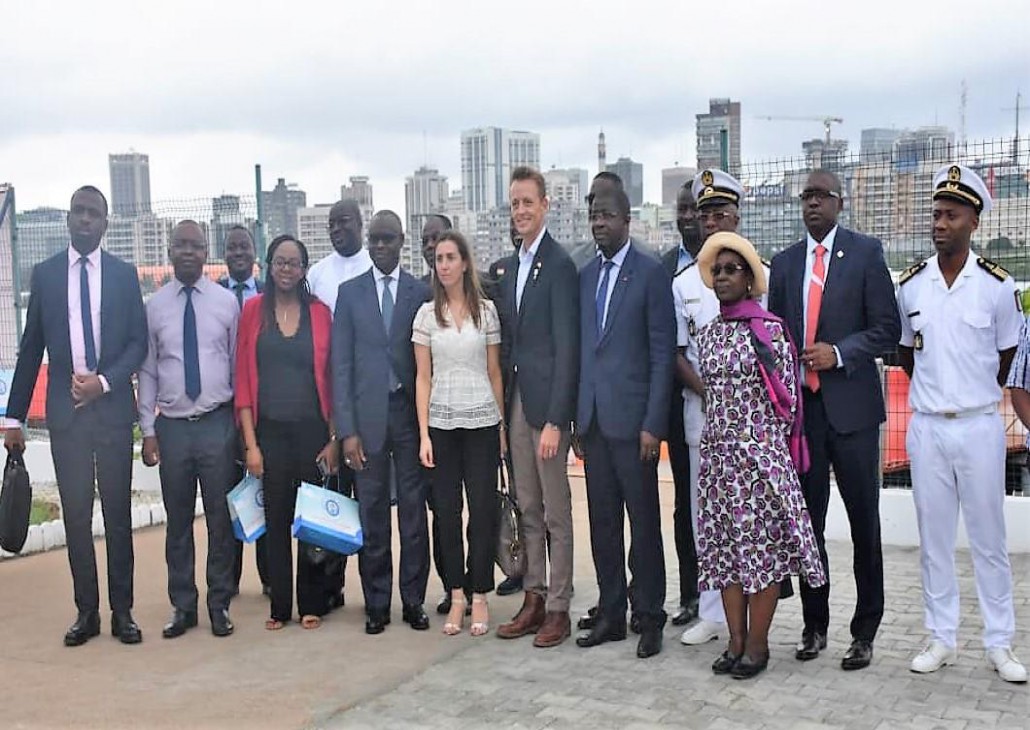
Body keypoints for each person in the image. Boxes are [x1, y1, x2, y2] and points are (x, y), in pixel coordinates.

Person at [767, 168, 900, 671]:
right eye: (806, 197)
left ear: (840, 203)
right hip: (805, 418)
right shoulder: (784, 264)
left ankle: (864, 632)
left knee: (865, 524)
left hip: (854, 415)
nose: (812, 204)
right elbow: (777, 336)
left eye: (822, 196)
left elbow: (886, 329)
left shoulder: (865, 254)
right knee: (809, 526)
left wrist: (838, 354)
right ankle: (814, 625)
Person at [898, 165, 1026, 683]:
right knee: (933, 539)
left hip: (978, 425)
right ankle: (940, 636)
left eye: (951, 215)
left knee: (988, 538)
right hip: (928, 426)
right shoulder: (912, 286)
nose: (940, 223)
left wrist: (969, 394)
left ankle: (1000, 642)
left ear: (974, 221)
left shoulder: (996, 286)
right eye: (936, 215)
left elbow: (1010, 357)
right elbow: (908, 356)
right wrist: (938, 393)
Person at [4, 186, 147, 646]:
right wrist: (14, 419)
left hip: (110, 413)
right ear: (68, 220)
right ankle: (86, 612)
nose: (86, 220)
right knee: (77, 518)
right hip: (67, 421)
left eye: (94, 214)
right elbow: (30, 353)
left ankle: (122, 611)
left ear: (105, 224)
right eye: (79, 212)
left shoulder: (124, 276)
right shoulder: (45, 276)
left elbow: (137, 345)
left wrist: (102, 383)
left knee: (119, 515)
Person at [695, 231, 826, 679]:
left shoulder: (769, 331)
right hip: (718, 462)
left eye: (733, 269)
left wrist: (762, 447)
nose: (724, 276)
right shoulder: (708, 335)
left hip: (758, 462)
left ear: (751, 279)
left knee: (761, 555)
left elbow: (788, 399)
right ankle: (734, 641)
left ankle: (758, 644)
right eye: (718, 270)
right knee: (727, 554)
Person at [574, 188, 674, 659]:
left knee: (644, 524)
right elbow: (583, 352)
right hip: (593, 424)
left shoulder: (652, 274)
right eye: (594, 216)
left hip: (635, 427)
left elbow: (660, 355)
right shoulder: (585, 274)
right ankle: (612, 613)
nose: (599, 223)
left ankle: (650, 616)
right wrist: (577, 415)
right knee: (602, 525)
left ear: (627, 220)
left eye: (607, 216)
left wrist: (654, 424)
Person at [139, 220, 239, 639]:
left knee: (220, 519)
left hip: (218, 422)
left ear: (205, 251)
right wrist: (147, 428)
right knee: (178, 522)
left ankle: (219, 603)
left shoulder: (226, 303)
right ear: (169, 250)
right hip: (174, 428)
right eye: (179, 245)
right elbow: (146, 369)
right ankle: (183, 605)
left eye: (195, 246)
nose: (187, 252)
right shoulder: (155, 307)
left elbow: (236, 364)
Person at [333, 211, 431, 635]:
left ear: (402, 241)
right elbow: (341, 367)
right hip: (366, 421)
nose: (379, 246)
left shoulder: (420, 293)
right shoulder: (349, 293)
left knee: (413, 515)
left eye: (387, 239)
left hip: (409, 417)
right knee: (372, 513)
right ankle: (377, 604)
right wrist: (347, 431)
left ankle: (413, 601)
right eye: (374, 239)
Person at [235, 235, 338, 631]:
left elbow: (330, 379)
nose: (286, 269)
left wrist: (333, 438)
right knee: (275, 520)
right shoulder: (252, 312)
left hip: (313, 432)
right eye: (280, 262)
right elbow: (242, 379)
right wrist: (251, 445)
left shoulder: (320, 313)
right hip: (270, 433)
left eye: (294, 263)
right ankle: (280, 605)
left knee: (309, 522)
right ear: (268, 265)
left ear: (304, 269)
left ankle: (311, 601)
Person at [494, 167, 579, 648]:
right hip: (518, 402)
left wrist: (556, 420)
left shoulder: (559, 265)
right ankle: (534, 595)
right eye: (514, 204)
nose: (521, 211)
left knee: (555, 511)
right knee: (527, 505)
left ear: (545, 205)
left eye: (528, 202)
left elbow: (567, 348)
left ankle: (561, 606)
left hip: (547, 409)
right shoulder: (512, 265)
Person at [672, 169, 757, 648]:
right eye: (705, 215)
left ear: (737, 217)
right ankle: (711, 611)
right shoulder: (684, 283)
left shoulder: (757, 274)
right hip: (703, 418)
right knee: (708, 519)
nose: (712, 222)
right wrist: (710, 390)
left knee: (748, 517)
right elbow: (677, 353)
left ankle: (750, 611)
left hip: (750, 424)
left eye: (721, 213)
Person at [413, 230, 505, 637]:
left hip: (482, 423)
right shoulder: (425, 315)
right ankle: (457, 594)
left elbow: (495, 372)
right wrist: (424, 435)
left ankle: (481, 592)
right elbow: (422, 378)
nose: (444, 264)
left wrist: (501, 426)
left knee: (482, 511)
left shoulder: (486, 312)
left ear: (465, 262)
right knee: (447, 514)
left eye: (451, 257)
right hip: (442, 425)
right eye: (439, 259)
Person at [303, 199, 372, 608]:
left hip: (367, 406)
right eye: (331, 224)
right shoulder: (318, 275)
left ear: (360, 224)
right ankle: (330, 587)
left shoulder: (371, 267)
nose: (336, 229)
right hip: (327, 402)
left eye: (344, 222)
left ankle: (372, 591)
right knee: (331, 497)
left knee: (366, 502)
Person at [217, 225, 270, 597]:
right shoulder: (213, 297)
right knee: (228, 496)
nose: (238, 253)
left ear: (255, 253)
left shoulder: (271, 295)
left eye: (244, 247)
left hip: (262, 409)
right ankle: (229, 578)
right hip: (222, 410)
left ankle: (269, 577)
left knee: (267, 492)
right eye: (232, 247)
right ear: (224, 254)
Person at [661, 182, 702, 629]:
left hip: (730, 412)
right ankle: (691, 594)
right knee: (684, 506)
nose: (689, 215)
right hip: (679, 404)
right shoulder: (664, 269)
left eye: (697, 208)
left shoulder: (731, 263)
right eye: (683, 208)